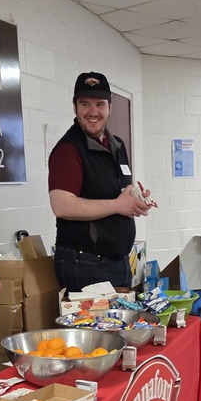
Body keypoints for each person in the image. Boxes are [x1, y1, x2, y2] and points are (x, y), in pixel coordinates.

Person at [48, 71, 152, 291]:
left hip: (117, 261)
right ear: (75, 107)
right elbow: (62, 206)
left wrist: (135, 199)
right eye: (85, 104)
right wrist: (118, 205)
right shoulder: (69, 149)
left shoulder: (117, 145)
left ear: (110, 107)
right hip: (85, 263)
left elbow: (115, 192)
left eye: (100, 104)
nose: (93, 112)